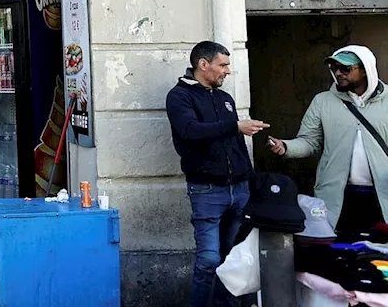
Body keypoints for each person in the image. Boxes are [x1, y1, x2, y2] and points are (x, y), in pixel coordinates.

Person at [165, 41, 266, 307]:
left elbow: (237, 146)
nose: (227, 71)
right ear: (203, 65)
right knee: (209, 260)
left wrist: (251, 180)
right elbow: (190, 131)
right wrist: (234, 126)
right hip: (206, 191)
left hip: (240, 189)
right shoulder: (179, 96)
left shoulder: (224, 98)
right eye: (223, 65)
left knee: (236, 259)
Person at [267, 45, 388, 235]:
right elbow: (309, 141)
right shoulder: (323, 101)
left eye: (346, 69)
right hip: (339, 197)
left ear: (365, 69)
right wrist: (286, 147)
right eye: (334, 68)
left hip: (383, 196)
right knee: (342, 254)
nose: (338, 73)